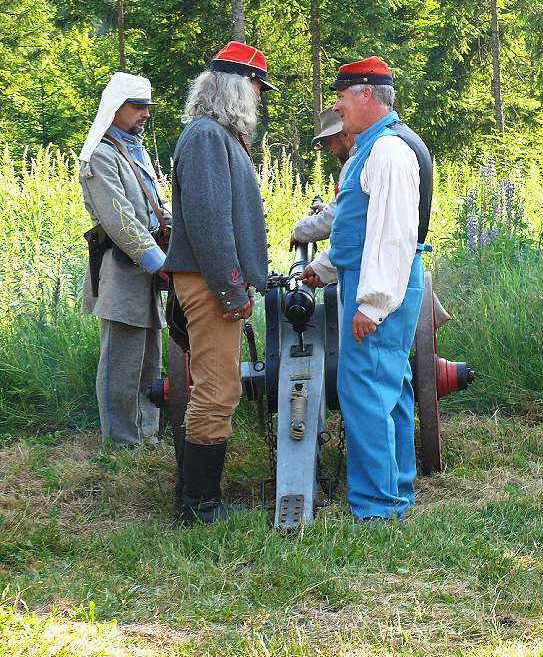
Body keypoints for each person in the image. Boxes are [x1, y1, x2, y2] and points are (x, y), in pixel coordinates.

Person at [298, 56, 433, 521]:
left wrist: (372, 304)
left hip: (382, 286)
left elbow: (392, 236)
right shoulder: (373, 149)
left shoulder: (388, 152)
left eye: (341, 97)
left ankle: (378, 506)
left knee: (367, 390)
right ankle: (394, 493)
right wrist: (328, 268)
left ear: (366, 95)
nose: (338, 106)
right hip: (374, 278)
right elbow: (358, 230)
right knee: (388, 388)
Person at [162, 41, 276, 524]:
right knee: (218, 392)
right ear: (235, 86)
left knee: (215, 388)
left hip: (209, 281)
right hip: (209, 284)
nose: (258, 95)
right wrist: (231, 289)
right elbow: (210, 223)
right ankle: (199, 506)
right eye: (255, 85)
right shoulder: (208, 138)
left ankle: (193, 498)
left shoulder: (214, 135)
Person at [79, 72, 170, 448]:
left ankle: (146, 435)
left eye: (147, 106)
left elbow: (154, 208)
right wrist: (158, 262)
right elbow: (119, 220)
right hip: (121, 269)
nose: (145, 114)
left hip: (147, 266)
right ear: (114, 108)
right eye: (137, 106)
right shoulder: (101, 155)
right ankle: (120, 442)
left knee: (150, 358)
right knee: (121, 362)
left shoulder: (134, 150)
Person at [290, 107, 356, 286]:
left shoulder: (354, 165)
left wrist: (298, 230)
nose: (330, 150)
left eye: (329, 142)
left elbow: (335, 220)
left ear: (343, 136)